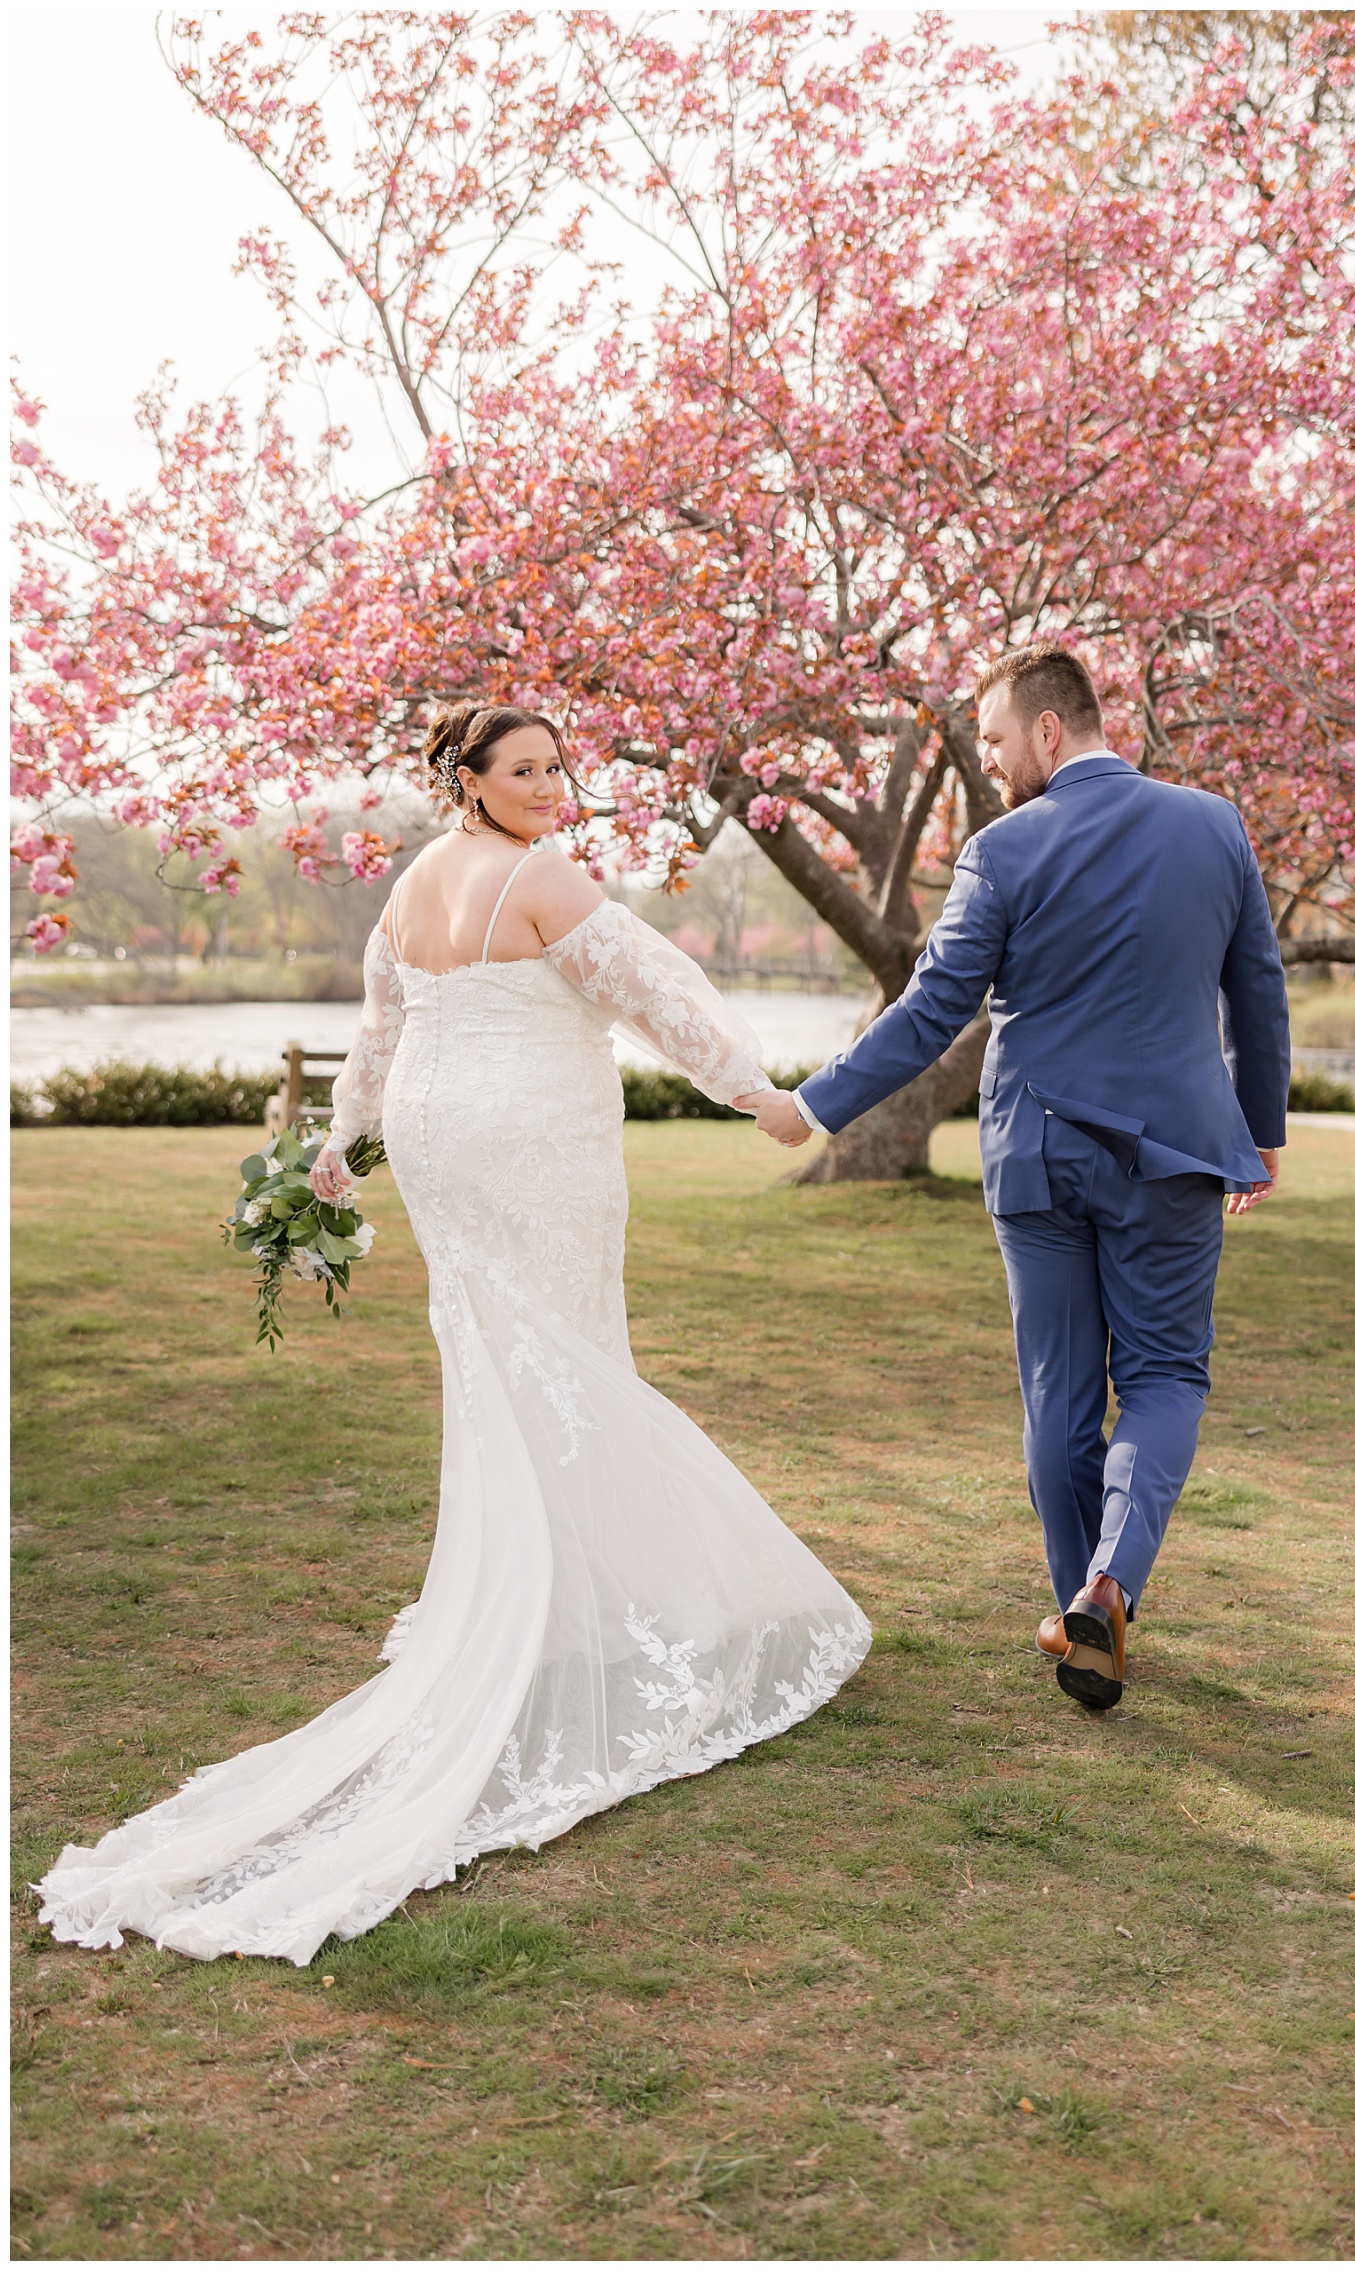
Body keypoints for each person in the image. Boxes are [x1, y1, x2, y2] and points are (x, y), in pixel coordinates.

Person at [38, 702, 869, 1968]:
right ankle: (583, 1609)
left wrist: (336, 1142)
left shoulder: (416, 881)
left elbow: (381, 1031)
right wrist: (752, 1089)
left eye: (554, 767)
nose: (548, 786)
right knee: (573, 1355)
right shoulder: (540, 877)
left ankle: (557, 1597)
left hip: (442, 1140)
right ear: (468, 781)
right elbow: (653, 991)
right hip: (528, 1143)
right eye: (522, 769)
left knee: (507, 1361)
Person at [748, 643, 1290, 1711]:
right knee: (1166, 1378)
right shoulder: (1213, 825)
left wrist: (811, 1104)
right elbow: (1256, 991)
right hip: (1176, 1153)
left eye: (994, 740)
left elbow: (931, 1008)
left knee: (1057, 1390)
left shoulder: (1003, 849)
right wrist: (1259, 1128)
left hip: (1038, 1154)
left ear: (1048, 729)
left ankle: (1082, 1619)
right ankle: (1105, 1591)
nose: (990, 764)